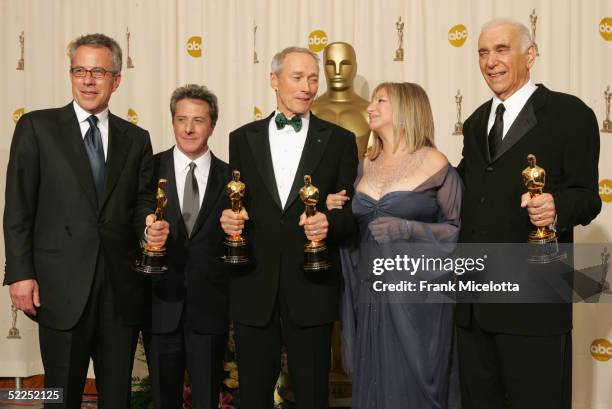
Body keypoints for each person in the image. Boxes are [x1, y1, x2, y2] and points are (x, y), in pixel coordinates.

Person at [4, 33, 169, 409]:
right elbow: (18, 207)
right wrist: (19, 273)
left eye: (98, 71)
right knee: (59, 395)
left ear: (116, 79)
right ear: (71, 74)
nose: (88, 80)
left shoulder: (136, 138)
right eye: (80, 70)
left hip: (120, 289)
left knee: (116, 397)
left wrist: (150, 228)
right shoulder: (36, 128)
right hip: (59, 288)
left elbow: (142, 201)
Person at [455, 19, 601, 409]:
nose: (490, 62)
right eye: (483, 53)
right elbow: (464, 187)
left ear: (530, 54)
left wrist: (557, 207)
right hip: (473, 303)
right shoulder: (473, 122)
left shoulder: (571, 114)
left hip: (533, 302)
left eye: (501, 50)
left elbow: (589, 197)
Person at [219, 46, 358, 409]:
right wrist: (228, 219)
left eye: (314, 79)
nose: (308, 87)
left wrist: (329, 223)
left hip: (311, 285)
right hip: (254, 285)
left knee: (313, 395)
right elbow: (237, 205)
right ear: (273, 81)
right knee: (252, 395)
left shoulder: (340, 141)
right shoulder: (241, 138)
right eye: (298, 78)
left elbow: (351, 215)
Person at [326, 82, 463, 409]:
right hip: (370, 296)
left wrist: (407, 228)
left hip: (418, 300)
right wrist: (335, 209)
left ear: (405, 109)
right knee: (374, 383)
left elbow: (456, 231)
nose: (370, 108)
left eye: (380, 101)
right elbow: (355, 231)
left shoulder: (435, 163)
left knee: (416, 385)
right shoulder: (364, 165)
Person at [145, 84, 230, 409]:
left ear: (212, 125)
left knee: (207, 399)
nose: (189, 128)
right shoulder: (148, 171)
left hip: (210, 310)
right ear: (172, 122)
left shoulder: (232, 178)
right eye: (182, 119)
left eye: (198, 120)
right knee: (164, 399)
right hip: (159, 307)